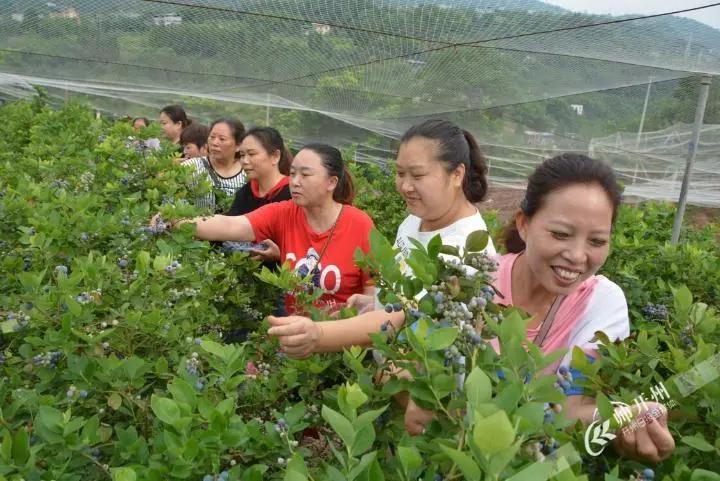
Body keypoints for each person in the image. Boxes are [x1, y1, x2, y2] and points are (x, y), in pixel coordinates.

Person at [402, 153, 675, 463]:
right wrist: (417, 395)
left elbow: (568, 410)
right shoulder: (469, 283)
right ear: (524, 224)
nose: (577, 255)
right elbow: (408, 364)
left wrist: (619, 420)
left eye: (597, 241)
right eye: (560, 234)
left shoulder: (602, 305)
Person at [266, 119, 496, 358]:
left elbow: (403, 318)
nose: (405, 186)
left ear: (457, 174)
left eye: (417, 175)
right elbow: (402, 293)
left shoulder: (466, 248)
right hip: (386, 371)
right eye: (399, 173)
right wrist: (374, 302)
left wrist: (319, 334)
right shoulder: (415, 219)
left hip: (423, 386)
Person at [170, 143, 374, 313]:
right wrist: (176, 221)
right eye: (292, 173)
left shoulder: (359, 224)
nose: (295, 182)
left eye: (305, 175)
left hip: (343, 344)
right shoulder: (284, 213)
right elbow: (231, 224)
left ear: (331, 182)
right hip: (296, 341)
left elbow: (373, 292)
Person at [182, 118, 246, 212]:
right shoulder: (190, 167)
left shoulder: (248, 173)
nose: (215, 143)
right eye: (212, 137)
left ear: (238, 145)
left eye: (222, 139)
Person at [226, 126, 292, 216]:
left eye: (252, 154)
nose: (245, 161)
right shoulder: (245, 193)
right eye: (242, 155)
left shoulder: (292, 193)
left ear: (275, 156)